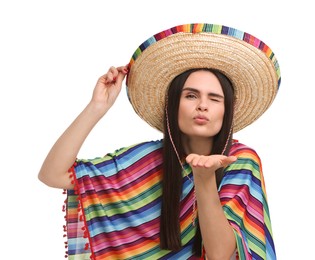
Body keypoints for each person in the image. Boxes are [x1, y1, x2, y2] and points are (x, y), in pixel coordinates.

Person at [38, 23, 280, 260]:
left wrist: (203, 178)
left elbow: (220, 254)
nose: (202, 105)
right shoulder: (147, 159)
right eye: (191, 95)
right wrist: (97, 107)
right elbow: (52, 174)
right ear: (173, 105)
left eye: (215, 99)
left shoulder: (240, 159)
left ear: (227, 111)